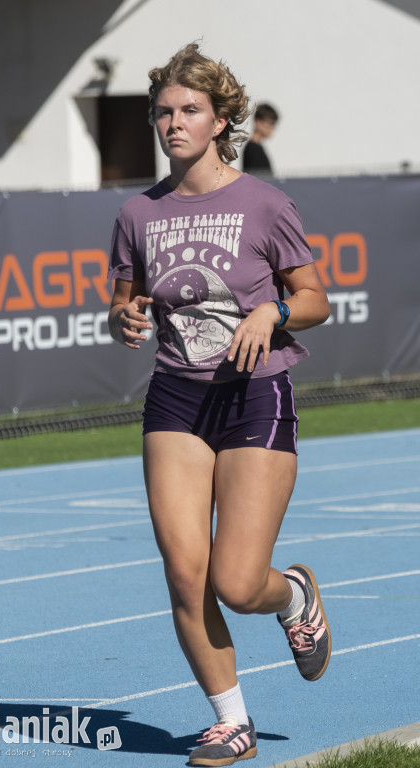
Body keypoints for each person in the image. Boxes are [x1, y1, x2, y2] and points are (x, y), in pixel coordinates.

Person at [108, 43, 331, 767]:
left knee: (238, 583)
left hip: (254, 394)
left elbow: (314, 299)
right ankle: (230, 721)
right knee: (184, 572)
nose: (173, 123)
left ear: (220, 118)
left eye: (189, 111)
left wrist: (273, 315)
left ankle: (293, 595)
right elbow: (124, 298)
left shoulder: (264, 202)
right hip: (175, 396)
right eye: (163, 112)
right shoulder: (138, 213)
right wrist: (123, 316)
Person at [242, 103, 279, 175]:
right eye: (270, 123)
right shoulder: (252, 149)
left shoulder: (257, 148)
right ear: (257, 122)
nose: (272, 128)